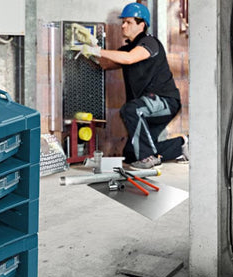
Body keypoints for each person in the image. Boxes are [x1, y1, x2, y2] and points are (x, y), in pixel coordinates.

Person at [72, 2, 188, 169]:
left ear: (142, 24)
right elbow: (105, 64)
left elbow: (129, 58)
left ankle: (148, 158)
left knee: (131, 110)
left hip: (165, 102)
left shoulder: (150, 43)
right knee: (131, 154)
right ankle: (182, 145)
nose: (123, 26)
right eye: (123, 22)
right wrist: (88, 50)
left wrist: (97, 50)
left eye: (128, 22)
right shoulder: (127, 48)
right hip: (147, 107)